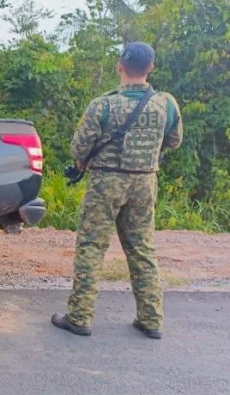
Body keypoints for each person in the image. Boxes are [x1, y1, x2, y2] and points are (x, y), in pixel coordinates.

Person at [53, 42, 182, 339]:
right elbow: (173, 141)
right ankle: (151, 319)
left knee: (91, 247)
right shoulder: (167, 104)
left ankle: (80, 316)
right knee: (142, 249)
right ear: (151, 68)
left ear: (119, 66)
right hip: (145, 182)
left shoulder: (103, 105)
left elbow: (79, 147)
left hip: (106, 183)